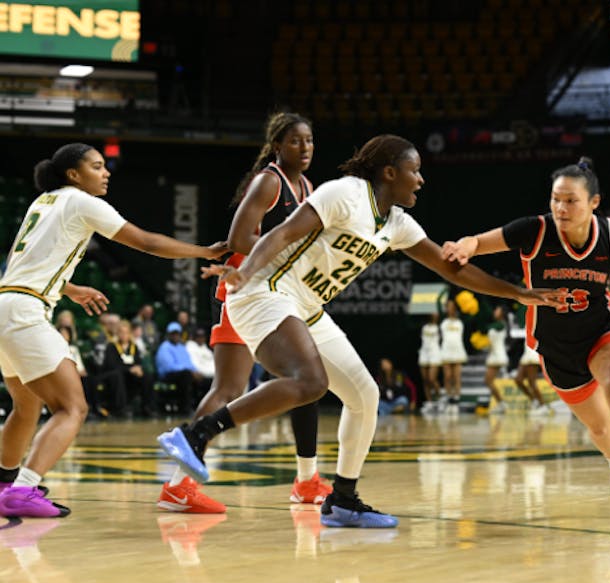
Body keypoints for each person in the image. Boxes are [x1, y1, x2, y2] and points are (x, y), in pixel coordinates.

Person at [158, 134, 561, 529]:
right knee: (310, 381)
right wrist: (245, 271)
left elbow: (450, 268)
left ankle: (343, 500)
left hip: (306, 306)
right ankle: (196, 435)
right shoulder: (344, 194)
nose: (421, 180)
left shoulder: (397, 223)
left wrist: (518, 293)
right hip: (266, 290)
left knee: (365, 395)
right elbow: (283, 232)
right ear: (389, 172)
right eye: (414, 171)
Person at [442, 156, 610, 522]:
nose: (561, 208)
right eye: (555, 199)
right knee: (600, 428)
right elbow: (477, 242)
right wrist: (465, 246)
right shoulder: (534, 230)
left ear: (594, 202)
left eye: (571, 201)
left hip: (603, 330)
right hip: (556, 346)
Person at [0, 142, 225, 518]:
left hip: (6, 302)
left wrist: (69, 288)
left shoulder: (43, 202)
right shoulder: (81, 201)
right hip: (25, 312)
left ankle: (5, 483)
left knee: (26, 406)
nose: (106, 173)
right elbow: (147, 242)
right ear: (74, 174)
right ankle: (23, 490)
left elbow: (20, 261)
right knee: (72, 407)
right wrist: (205, 252)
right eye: (97, 166)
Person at [158, 111, 329, 515]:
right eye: (295, 141)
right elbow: (239, 238)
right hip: (245, 288)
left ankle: (307, 479)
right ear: (277, 146)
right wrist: (289, 251)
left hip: (281, 291)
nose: (304, 148)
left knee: (304, 379)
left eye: (309, 140)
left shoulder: (307, 186)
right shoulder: (269, 181)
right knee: (229, 389)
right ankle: (178, 486)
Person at [99, 321, 154, 417]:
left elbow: (137, 362)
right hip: (114, 375)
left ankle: (147, 407)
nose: (124, 335)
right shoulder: (111, 346)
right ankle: (121, 408)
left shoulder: (134, 347)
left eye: (126, 332)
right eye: (121, 332)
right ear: (118, 333)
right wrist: (129, 369)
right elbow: (112, 365)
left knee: (147, 376)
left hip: (130, 375)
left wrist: (138, 369)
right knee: (117, 375)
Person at [155, 322, 203, 416]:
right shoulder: (164, 347)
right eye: (173, 334)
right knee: (186, 376)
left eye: (177, 333)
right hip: (168, 375)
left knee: (203, 379)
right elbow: (168, 367)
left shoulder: (182, 348)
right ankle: (185, 408)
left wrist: (195, 371)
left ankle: (200, 407)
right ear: (168, 335)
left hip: (184, 373)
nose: (175, 336)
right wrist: (189, 371)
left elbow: (189, 362)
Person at [439, 298, 467, 406]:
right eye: (448, 306)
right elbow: (438, 304)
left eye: (451, 306)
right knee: (447, 376)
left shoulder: (460, 322)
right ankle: (448, 395)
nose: (449, 308)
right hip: (446, 350)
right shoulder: (444, 322)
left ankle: (457, 396)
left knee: (456, 376)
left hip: (457, 350)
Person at [484, 305, 510, 413]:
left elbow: (487, 327)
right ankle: (500, 403)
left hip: (498, 356)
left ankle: (502, 403)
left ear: (502, 313)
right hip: (493, 355)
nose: (495, 312)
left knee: (488, 381)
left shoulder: (501, 324)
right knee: (488, 381)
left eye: (497, 310)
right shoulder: (497, 324)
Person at [417, 312, 443, 412]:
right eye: (433, 313)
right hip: (424, 352)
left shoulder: (440, 327)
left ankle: (440, 398)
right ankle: (429, 402)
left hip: (435, 352)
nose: (434, 314)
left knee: (432, 379)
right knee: (425, 380)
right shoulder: (423, 327)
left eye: (436, 313)